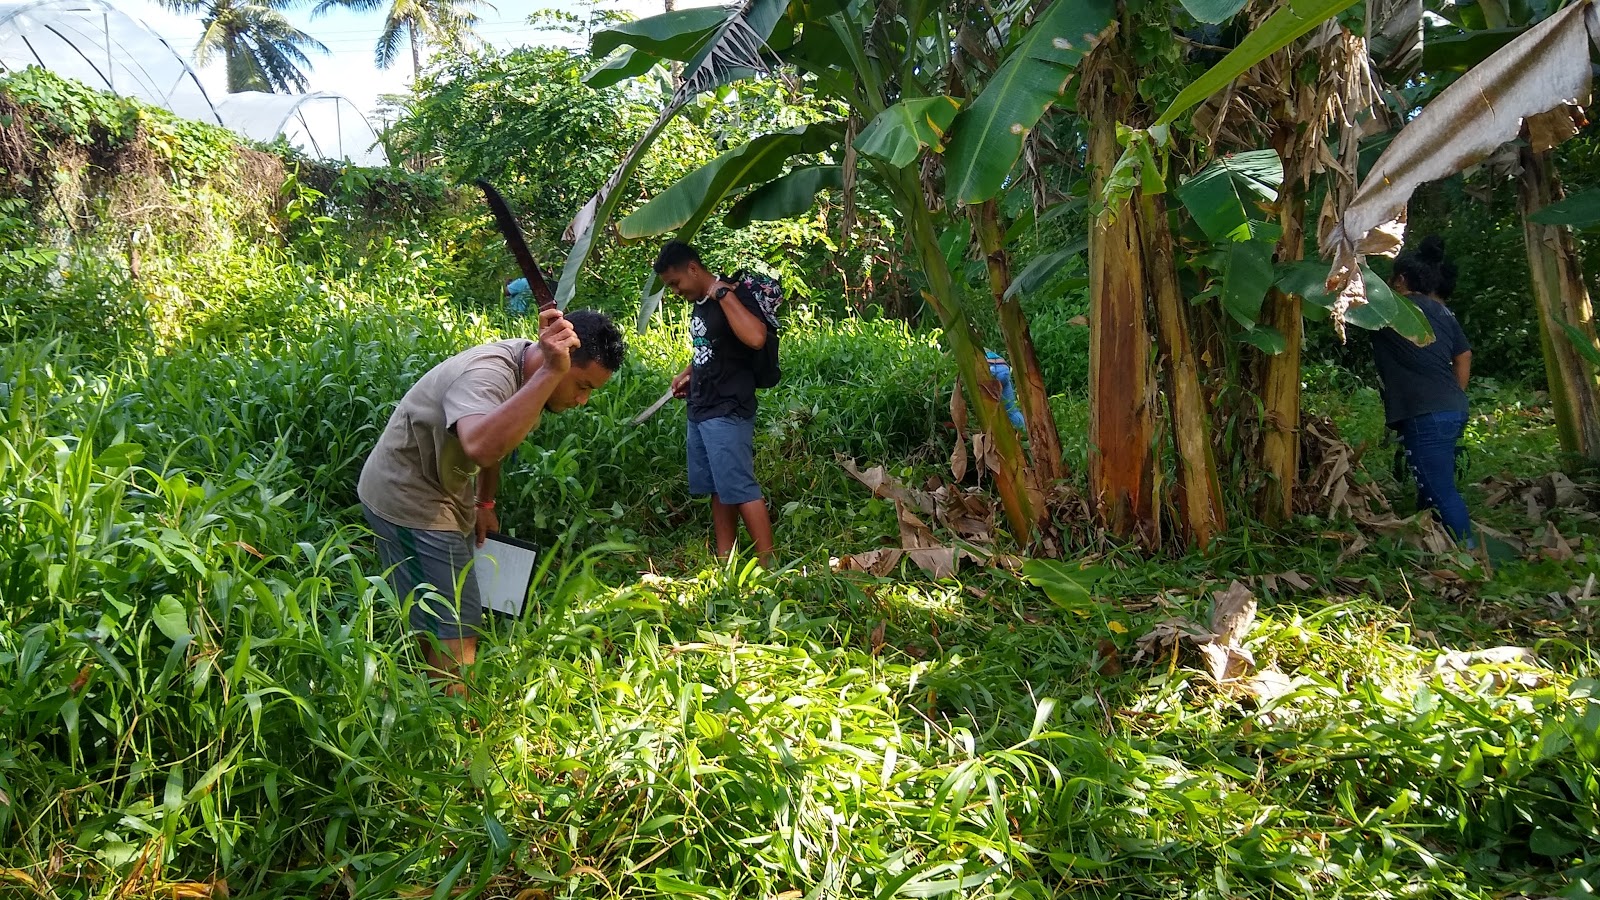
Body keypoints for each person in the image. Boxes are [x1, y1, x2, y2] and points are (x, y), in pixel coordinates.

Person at [358, 308, 626, 697]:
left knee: (440, 606)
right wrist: (552, 373)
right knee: (456, 621)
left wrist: (485, 502)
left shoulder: (529, 369)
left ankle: (425, 691)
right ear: (558, 358)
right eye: (582, 385)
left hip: (446, 489)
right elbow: (482, 446)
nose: (582, 401)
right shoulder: (490, 375)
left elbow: (500, 435)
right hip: (409, 496)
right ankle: (450, 724)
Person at [653, 240, 776, 567]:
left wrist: (722, 294)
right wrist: (689, 372)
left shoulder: (729, 294)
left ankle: (770, 568)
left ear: (693, 269)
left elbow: (756, 337)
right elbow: (714, 348)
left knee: (740, 486)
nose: (675, 291)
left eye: (675, 283)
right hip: (702, 406)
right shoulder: (701, 302)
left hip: (728, 407)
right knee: (719, 489)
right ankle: (726, 563)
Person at [1372, 237, 1475, 545]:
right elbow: (1464, 354)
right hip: (1452, 408)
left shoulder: (1389, 309)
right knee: (1430, 485)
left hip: (1426, 412)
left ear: (1401, 279)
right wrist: (1453, 395)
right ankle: (1432, 545)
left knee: (1440, 490)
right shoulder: (1442, 312)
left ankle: (1469, 554)